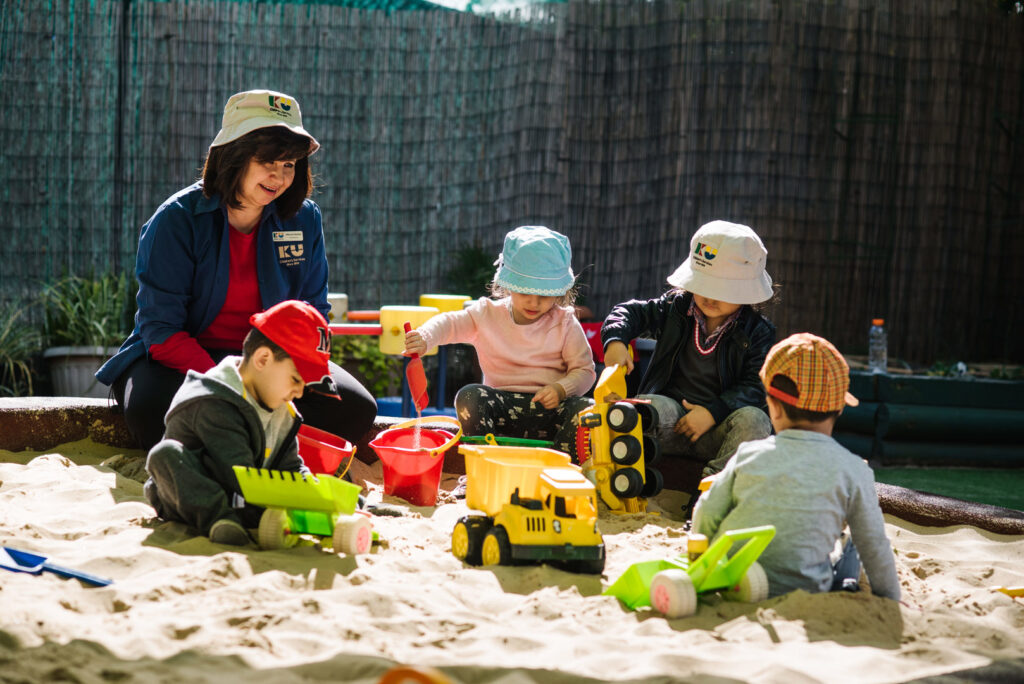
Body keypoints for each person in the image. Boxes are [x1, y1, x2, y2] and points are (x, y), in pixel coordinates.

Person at [96, 89, 376, 450]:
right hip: (182, 359)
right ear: (234, 155)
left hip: (268, 362)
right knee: (151, 412)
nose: (278, 175)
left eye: (289, 164)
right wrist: (235, 384)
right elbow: (161, 330)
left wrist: (281, 375)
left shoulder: (305, 218)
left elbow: (313, 313)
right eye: (268, 161)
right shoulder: (176, 219)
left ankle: (254, 445)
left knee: (354, 410)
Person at [692, 332, 901, 600]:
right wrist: (892, 599)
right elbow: (874, 545)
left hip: (732, 580)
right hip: (805, 590)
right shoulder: (854, 469)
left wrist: (702, 563)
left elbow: (706, 511)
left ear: (774, 408)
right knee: (851, 547)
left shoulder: (748, 454)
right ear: (838, 409)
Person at [600, 220, 776, 514]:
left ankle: (709, 499)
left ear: (746, 293)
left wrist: (712, 412)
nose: (710, 297)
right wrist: (616, 340)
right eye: (705, 286)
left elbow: (756, 386)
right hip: (671, 420)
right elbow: (627, 312)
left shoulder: (758, 333)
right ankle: (627, 484)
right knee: (643, 407)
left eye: (724, 290)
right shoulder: (675, 310)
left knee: (756, 421)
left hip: (722, 427)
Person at [144, 300, 335, 546]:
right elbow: (238, 474)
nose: (300, 392)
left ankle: (241, 519)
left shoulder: (281, 409)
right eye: (296, 379)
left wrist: (324, 498)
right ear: (263, 359)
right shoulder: (214, 401)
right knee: (166, 454)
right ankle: (220, 521)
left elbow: (290, 469)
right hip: (191, 493)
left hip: (248, 494)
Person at [404, 226, 596, 455]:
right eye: (525, 292)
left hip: (550, 412)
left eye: (544, 295)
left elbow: (585, 371)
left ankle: (561, 471)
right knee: (470, 395)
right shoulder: (487, 315)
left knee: (587, 410)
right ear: (509, 285)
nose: (534, 303)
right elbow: (450, 323)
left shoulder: (564, 323)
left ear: (559, 292)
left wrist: (561, 389)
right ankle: (481, 464)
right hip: (500, 410)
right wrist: (425, 337)